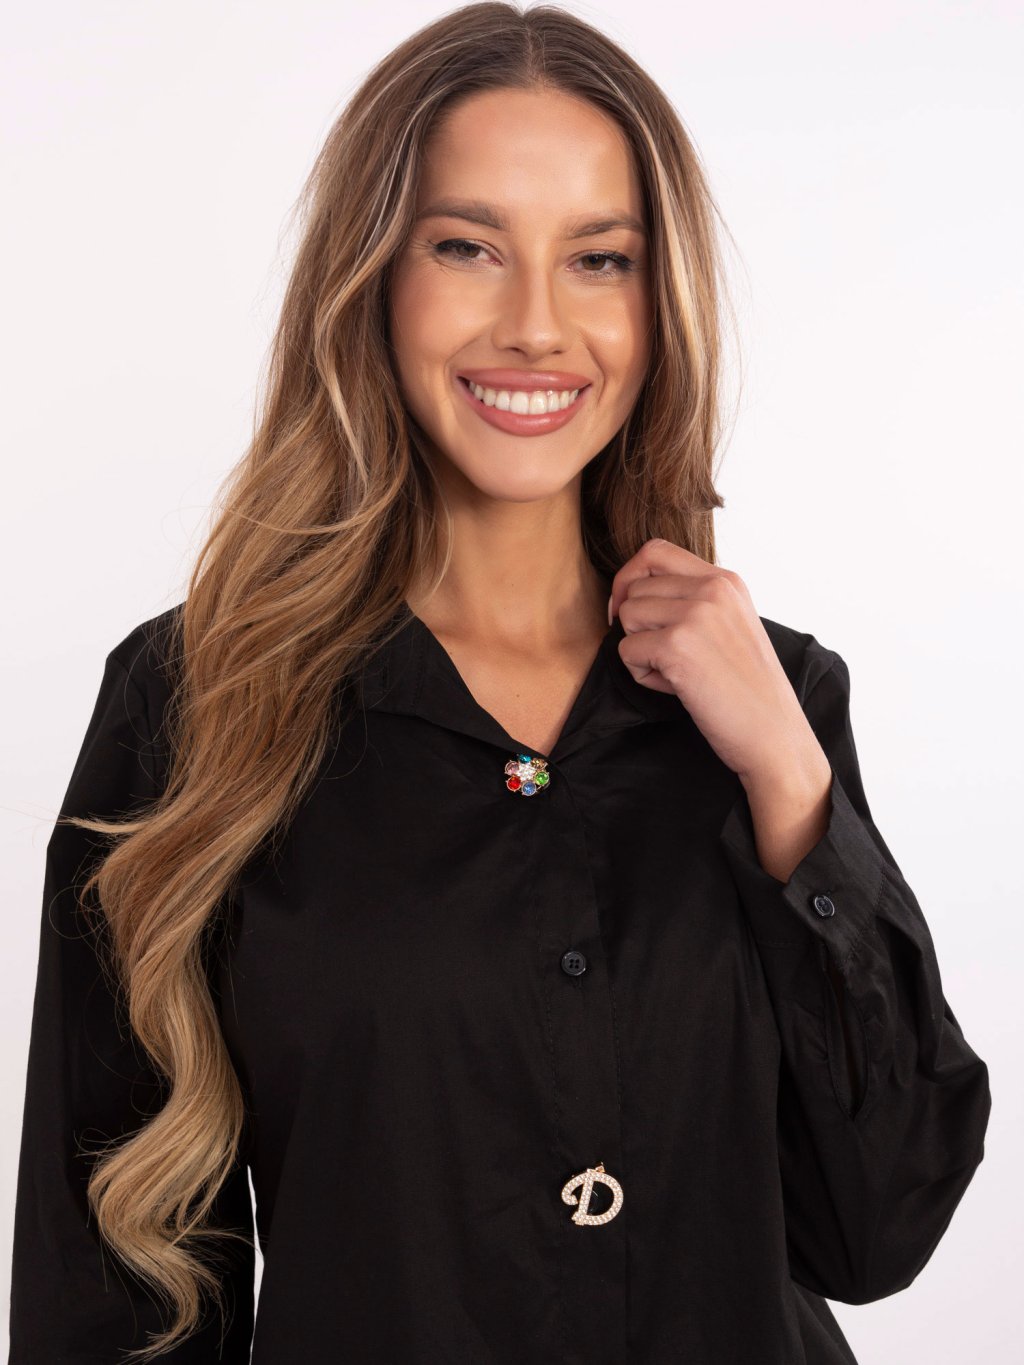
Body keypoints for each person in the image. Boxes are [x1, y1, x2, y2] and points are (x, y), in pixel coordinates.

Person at [8, 4, 992, 1363]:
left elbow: (880, 1230)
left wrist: (790, 781)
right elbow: (107, 1285)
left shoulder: (775, 700)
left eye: (600, 259)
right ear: (373, 279)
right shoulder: (193, 701)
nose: (537, 325)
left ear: (656, 306)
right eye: (467, 247)